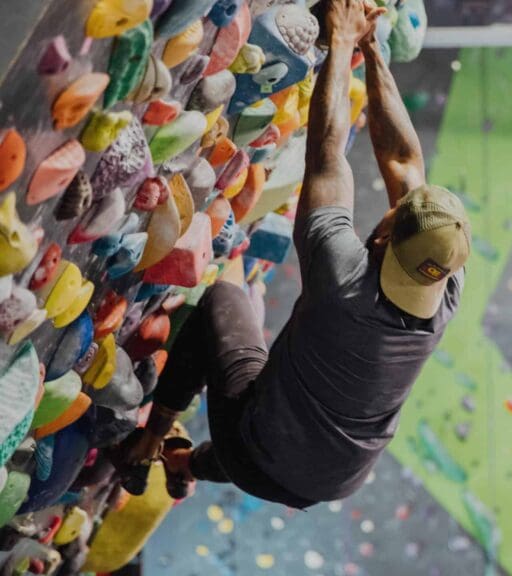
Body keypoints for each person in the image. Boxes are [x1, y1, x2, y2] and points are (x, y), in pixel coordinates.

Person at [110, 0, 471, 508]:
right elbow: (405, 163)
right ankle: (186, 467)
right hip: (333, 480)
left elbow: (326, 152)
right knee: (281, 418)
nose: (390, 205)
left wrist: (342, 41)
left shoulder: (344, 281)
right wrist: (371, 48)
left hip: (253, 453)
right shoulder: (445, 282)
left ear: (387, 240)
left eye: (392, 216)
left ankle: (150, 436)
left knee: (219, 304)